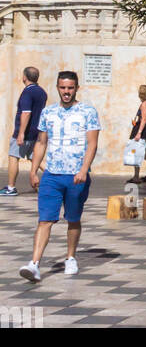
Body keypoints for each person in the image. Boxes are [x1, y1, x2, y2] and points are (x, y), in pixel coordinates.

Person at [19, 71, 99, 284]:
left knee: (73, 219)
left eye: (70, 88)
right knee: (45, 219)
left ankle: (70, 256)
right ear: (57, 87)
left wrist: (84, 169)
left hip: (76, 176)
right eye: (63, 88)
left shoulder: (88, 112)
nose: (66, 92)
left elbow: (92, 143)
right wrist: (34, 170)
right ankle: (34, 264)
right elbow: (41, 143)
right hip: (52, 175)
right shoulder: (48, 112)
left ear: (76, 88)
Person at [4, 66, 47, 196]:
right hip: (37, 132)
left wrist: (21, 133)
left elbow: (26, 113)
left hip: (25, 133)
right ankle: (54, 182)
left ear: (24, 77)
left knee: (13, 156)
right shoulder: (42, 92)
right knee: (36, 158)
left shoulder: (27, 92)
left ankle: (11, 188)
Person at [127, 84, 146, 185]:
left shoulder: (145, 104)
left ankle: (138, 176)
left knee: (137, 152)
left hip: (144, 130)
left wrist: (139, 132)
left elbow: (144, 119)